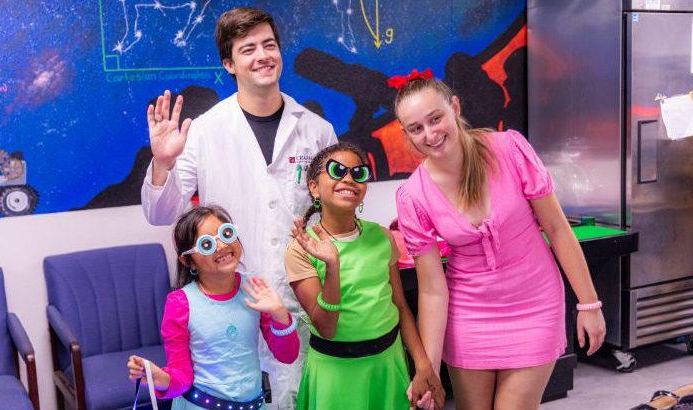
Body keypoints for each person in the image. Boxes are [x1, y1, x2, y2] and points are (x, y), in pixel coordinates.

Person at [140, 7, 337, 408]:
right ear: (229, 63)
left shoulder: (316, 130)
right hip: (233, 306)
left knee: (302, 397)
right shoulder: (205, 130)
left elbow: (334, 216)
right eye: (248, 49)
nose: (263, 55)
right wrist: (162, 163)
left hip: (300, 300)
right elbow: (161, 214)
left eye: (269, 45)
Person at [392, 70, 606, 410]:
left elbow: (556, 227)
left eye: (435, 119)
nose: (430, 134)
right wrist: (429, 370)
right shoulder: (413, 196)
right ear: (406, 134)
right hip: (469, 314)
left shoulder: (509, 149)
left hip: (535, 304)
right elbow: (432, 289)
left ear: (455, 108)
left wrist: (589, 304)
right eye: (416, 128)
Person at [284, 142, 445, 410]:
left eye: (358, 173)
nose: (349, 178)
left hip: (388, 365)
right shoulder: (301, 249)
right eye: (337, 171)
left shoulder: (382, 236)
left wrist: (422, 365)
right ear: (314, 187)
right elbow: (327, 328)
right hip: (336, 376)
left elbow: (400, 306)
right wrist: (332, 266)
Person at [127, 205, 300, 410]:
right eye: (207, 244)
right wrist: (160, 378)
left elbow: (288, 355)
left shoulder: (255, 289)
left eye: (226, 234)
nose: (222, 246)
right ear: (189, 261)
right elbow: (181, 380)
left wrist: (280, 315)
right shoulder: (180, 303)